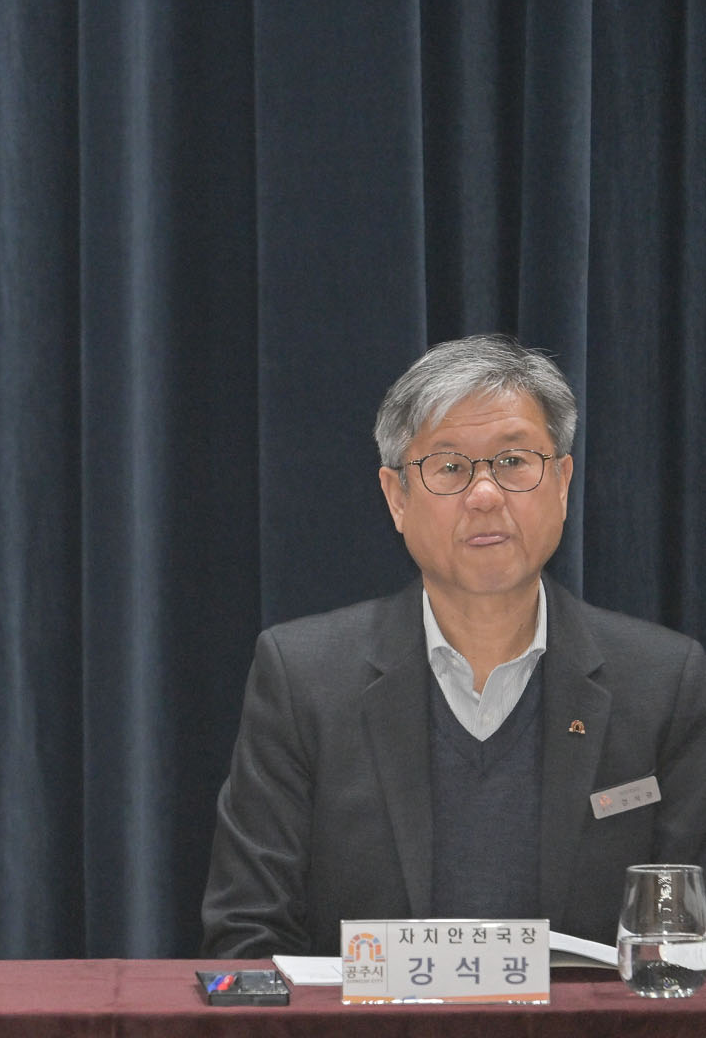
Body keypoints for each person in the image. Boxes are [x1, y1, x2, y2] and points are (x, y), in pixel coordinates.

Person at [202, 334, 706, 958]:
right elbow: (246, 935)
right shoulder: (304, 679)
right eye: (449, 468)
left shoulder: (663, 682)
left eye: (513, 461)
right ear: (397, 499)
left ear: (562, 482)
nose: (485, 495)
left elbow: (687, 936)